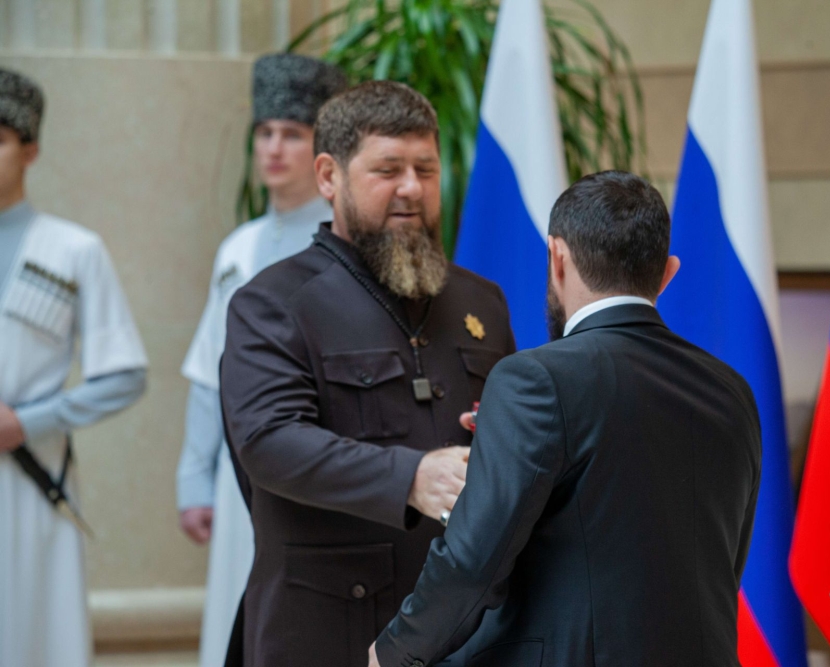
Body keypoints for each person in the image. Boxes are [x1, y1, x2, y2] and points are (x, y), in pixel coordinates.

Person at [371, 171, 763, 667]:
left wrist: (395, 652)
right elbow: (723, 564)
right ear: (667, 272)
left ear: (556, 257)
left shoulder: (534, 379)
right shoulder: (732, 391)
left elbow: (473, 565)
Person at [219, 80, 516, 667]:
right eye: (388, 169)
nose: (412, 188)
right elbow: (268, 441)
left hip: (465, 634)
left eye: (426, 170)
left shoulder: (482, 300)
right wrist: (412, 477)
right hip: (329, 631)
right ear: (329, 176)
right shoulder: (272, 303)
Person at [175, 52, 347, 667]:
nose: (274, 149)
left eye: (292, 134)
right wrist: (193, 477)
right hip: (237, 466)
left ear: (323, 151)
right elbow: (209, 369)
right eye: (265, 132)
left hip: (314, 463)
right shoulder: (237, 247)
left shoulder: (344, 243)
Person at [0, 67, 148, 667]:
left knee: (33, 630)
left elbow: (124, 376)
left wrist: (26, 422)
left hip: (30, 475)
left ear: (30, 150)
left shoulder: (72, 250)